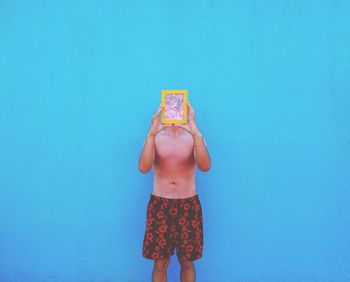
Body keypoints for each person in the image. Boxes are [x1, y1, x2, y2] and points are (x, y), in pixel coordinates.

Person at [138, 101, 211, 282]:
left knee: (187, 262)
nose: (174, 111)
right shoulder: (155, 136)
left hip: (188, 205)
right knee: (160, 263)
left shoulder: (193, 137)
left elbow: (205, 166)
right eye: (170, 105)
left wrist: (195, 132)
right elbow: (143, 167)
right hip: (159, 205)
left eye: (179, 105)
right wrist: (151, 132)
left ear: (186, 111)